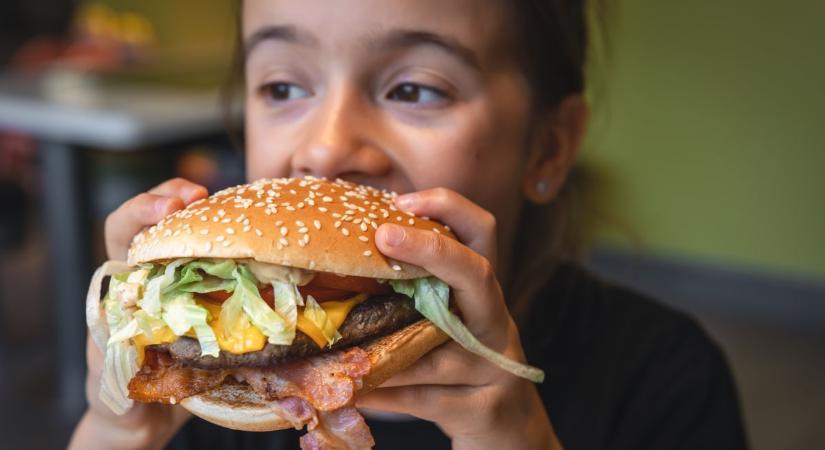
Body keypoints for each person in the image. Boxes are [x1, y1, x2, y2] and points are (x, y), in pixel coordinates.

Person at [69, 0, 749, 448]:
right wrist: (115, 425)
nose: (326, 148)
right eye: (282, 87)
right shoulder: (205, 384)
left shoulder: (663, 376)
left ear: (547, 146)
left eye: (413, 89)